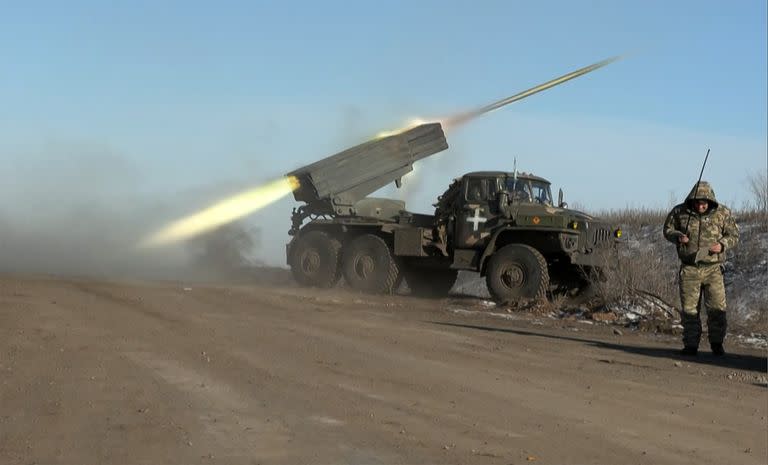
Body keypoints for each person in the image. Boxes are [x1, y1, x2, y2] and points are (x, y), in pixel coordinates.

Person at [663, 181, 739, 356]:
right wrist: (677, 236)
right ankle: (691, 345)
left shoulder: (722, 213)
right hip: (690, 269)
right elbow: (667, 230)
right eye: (698, 202)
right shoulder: (679, 212)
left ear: (710, 200)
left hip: (713, 269)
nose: (701, 205)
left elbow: (734, 235)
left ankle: (717, 344)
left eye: (704, 202)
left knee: (717, 309)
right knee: (690, 310)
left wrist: (722, 245)